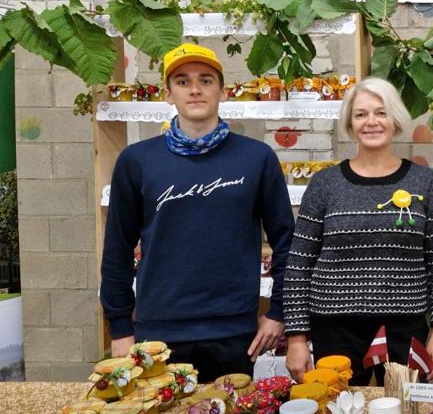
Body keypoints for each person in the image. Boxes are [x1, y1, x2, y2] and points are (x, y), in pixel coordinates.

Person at [100, 43, 294, 382]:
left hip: (233, 331)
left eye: (206, 80)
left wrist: (278, 311)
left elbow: (286, 241)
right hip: (158, 332)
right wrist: (120, 328)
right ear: (168, 94)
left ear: (223, 91)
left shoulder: (257, 158)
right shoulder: (137, 161)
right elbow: (117, 247)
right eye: (182, 81)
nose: (195, 89)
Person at [283, 77, 433, 384]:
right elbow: (298, 265)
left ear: (395, 119)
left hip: (405, 325)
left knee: (405, 409)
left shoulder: (424, 181)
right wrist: (296, 337)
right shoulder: (325, 184)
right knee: (336, 408)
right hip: (334, 327)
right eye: (361, 114)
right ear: (350, 123)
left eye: (381, 112)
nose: (371, 121)